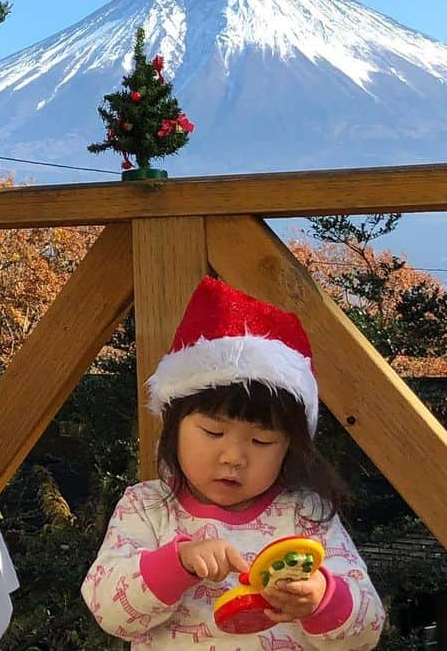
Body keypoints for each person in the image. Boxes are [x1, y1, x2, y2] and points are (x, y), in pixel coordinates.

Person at [82, 276, 384, 649]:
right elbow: (107, 608)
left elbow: (368, 630)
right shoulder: (146, 507)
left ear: (289, 448)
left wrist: (323, 596)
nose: (234, 457)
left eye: (261, 441)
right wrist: (177, 563)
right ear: (173, 426)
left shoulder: (305, 514)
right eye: (212, 432)